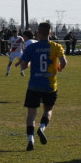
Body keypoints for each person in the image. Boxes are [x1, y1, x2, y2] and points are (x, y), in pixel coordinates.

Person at [20, 21, 68, 151]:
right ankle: (42, 128)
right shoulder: (56, 46)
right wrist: (59, 68)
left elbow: (24, 65)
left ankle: (31, 139)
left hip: (34, 85)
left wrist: (29, 63)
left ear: (38, 33)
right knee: (47, 110)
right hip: (50, 85)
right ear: (50, 33)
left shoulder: (31, 47)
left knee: (31, 113)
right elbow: (63, 62)